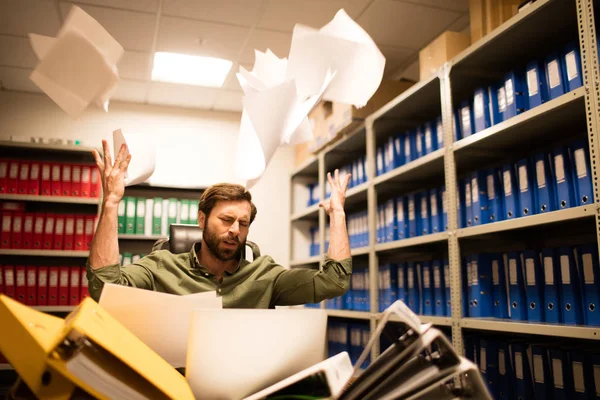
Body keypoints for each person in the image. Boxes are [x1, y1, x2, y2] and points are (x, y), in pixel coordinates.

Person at [86, 140, 353, 308]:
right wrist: (110, 204)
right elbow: (103, 288)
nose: (235, 230)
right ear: (202, 219)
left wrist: (338, 215)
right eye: (226, 220)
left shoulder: (265, 276)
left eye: (243, 223)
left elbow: (333, 283)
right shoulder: (161, 267)